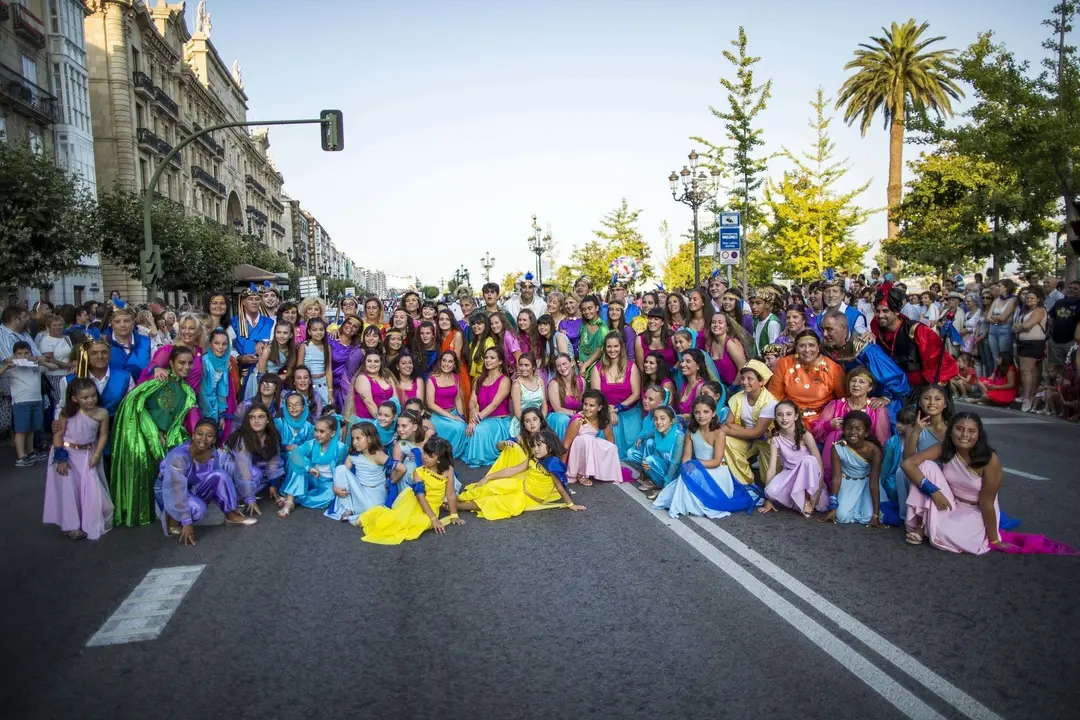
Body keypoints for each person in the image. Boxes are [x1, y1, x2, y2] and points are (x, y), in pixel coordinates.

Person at [109, 346, 198, 526]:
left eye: (190, 363)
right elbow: (133, 404)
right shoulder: (158, 381)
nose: (186, 367)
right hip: (144, 436)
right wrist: (153, 432)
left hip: (167, 439)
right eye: (181, 363)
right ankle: (142, 512)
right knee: (144, 474)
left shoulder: (186, 389)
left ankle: (165, 512)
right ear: (171, 363)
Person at [652, 395, 759, 519]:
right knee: (684, 481)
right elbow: (686, 456)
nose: (701, 416)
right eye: (697, 412)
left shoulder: (719, 432)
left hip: (715, 470)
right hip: (696, 466)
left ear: (713, 413)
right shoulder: (691, 431)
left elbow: (717, 461)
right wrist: (686, 469)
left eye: (706, 412)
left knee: (699, 497)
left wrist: (695, 465)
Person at [155, 419, 258, 544]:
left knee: (221, 475)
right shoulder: (179, 456)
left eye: (209, 436)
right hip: (168, 490)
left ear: (214, 440)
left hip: (190, 488)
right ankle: (173, 517)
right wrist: (186, 521)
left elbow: (215, 483)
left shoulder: (212, 453)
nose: (203, 439)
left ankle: (231, 514)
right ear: (193, 435)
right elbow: (175, 487)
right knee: (198, 509)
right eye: (199, 434)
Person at [457, 428, 585, 520]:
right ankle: (455, 499)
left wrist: (570, 504)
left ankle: (456, 506)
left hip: (525, 497)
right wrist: (487, 477)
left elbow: (560, 487)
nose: (535, 449)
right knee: (491, 486)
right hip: (518, 486)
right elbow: (512, 470)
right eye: (533, 446)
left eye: (539, 446)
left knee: (494, 502)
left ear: (550, 447)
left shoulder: (552, 465)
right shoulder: (533, 459)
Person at [358, 436, 464, 544]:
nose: (425, 457)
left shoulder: (448, 470)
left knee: (422, 523)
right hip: (415, 502)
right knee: (400, 521)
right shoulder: (418, 472)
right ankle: (373, 515)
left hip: (432, 506)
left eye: (430, 455)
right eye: (424, 453)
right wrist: (433, 519)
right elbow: (420, 497)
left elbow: (450, 494)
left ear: (440, 460)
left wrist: (454, 515)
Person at [43, 379, 113, 540]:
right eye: (85, 397)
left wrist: (96, 455)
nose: (90, 400)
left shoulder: (101, 413)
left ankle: (88, 518)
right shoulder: (66, 413)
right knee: (68, 490)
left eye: (93, 396)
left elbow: (102, 435)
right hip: (66, 453)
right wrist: (60, 458)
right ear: (75, 398)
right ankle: (71, 526)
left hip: (87, 454)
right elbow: (58, 435)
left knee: (90, 487)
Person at [820, 311, 909, 419]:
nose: (824, 334)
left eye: (829, 329)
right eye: (822, 329)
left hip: (874, 402)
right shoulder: (825, 349)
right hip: (844, 402)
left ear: (843, 327)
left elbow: (897, 378)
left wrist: (886, 398)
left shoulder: (867, 350)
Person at [812, 367, 890, 484]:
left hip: (864, 457)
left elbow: (882, 440)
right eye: (853, 381)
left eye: (861, 381)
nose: (856, 385)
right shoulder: (836, 405)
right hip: (836, 457)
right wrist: (829, 425)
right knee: (835, 434)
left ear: (870, 388)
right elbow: (816, 432)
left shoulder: (876, 408)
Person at [869, 287, 958, 390]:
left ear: (896, 312)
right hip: (891, 387)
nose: (880, 315)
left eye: (885, 311)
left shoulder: (918, 331)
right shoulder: (876, 329)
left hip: (917, 389)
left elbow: (939, 362)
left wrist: (933, 390)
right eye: (877, 311)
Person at [759, 399, 825, 517]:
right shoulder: (776, 439)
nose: (784, 418)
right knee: (770, 492)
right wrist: (767, 498)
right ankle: (798, 502)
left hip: (809, 475)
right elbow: (772, 468)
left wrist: (818, 492)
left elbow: (819, 464)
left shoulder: (805, 435)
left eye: (788, 414)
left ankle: (806, 499)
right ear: (776, 418)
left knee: (808, 460)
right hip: (790, 473)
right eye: (780, 415)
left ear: (796, 416)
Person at [766, 329, 846, 424]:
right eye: (802, 346)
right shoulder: (785, 364)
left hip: (823, 421)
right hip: (790, 419)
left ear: (818, 347)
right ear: (796, 347)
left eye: (811, 345)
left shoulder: (833, 368)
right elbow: (774, 396)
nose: (807, 350)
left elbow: (843, 400)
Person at [0, 341, 58, 466]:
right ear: (14, 355)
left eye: (26, 353)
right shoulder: (13, 369)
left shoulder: (34, 365)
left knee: (32, 428)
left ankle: (30, 452)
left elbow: (54, 368)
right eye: (19, 353)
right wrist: (6, 366)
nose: (23, 356)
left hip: (36, 399)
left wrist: (40, 361)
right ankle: (21, 456)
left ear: (31, 353)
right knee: (21, 430)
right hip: (21, 401)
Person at [327, 422, 399, 522]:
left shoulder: (378, 455)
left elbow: (402, 468)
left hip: (375, 497)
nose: (355, 442)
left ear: (369, 439)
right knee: (341, 468)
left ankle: (361, 514)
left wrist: (393, 480)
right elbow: (343, 476)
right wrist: (335, 488)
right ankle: (347, 508)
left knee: (372, 510)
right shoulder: (353, 456)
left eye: (358, 438)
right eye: (353, 439)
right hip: (359, 492)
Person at [278, 415, 347, 516]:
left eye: (322, 431)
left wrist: (336, 487)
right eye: (316, 430)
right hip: (313, 477)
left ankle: (294, 497)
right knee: (298, 466)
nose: (317, 434)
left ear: (332, 433)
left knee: (330, 496)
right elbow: (295, 454)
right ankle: (289, 502)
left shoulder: (340, 448)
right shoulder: (311, 444)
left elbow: (342, 469)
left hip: (328, 483)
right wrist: (308, 467)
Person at [821, 411, 882, 525]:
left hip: (867, 483)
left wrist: (876, 514)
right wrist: (833, 508)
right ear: (843, 430)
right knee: (841, 516)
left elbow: (874, 483)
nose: (853, 432)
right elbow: (836, 478)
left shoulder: (874, 451)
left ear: (867, 432)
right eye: (849, 428)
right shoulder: (837, 448)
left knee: (868, 516)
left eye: (858, 429)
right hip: (846, 481)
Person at [723, 360, 777, 486]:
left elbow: (758, 433)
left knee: (768, 479)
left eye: (750, 378)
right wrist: (748, 433)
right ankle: (746, 482)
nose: (744, 382)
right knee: (725, 441)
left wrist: (729, 430)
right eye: (742, 378)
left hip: (768, 443)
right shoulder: (738, 397)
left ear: (761, 382)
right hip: (747, 439)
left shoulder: (769, 403)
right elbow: (729, 422)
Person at [591, 332, 641, 459]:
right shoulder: (597, 369)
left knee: (632, 442)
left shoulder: (631, 366)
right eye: (609, 347)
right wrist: (609, 410)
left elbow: (636, 394)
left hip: (629, 411)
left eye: (615, 346)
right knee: (607, 427)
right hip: (605, 410)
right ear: (605, 348)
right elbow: (596, 396)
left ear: (621, 347)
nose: (612, 350)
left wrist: (617, 408)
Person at [463, 346, 513, 467]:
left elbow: (494, 405)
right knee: (467, 431)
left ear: (500, 361)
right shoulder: (478, 380)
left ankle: (481, 458)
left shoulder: (504, 380)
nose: (488, 360)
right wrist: (474, 411)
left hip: (500, 421)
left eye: (492, 358)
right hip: (484, 418)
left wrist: (475, 420)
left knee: (477, 430)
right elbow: (472, 401)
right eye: (486, 358)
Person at [564, 389, 622, 485]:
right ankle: (580, 474)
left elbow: (610, 441)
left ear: (599, 408)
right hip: (576, 452)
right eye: (585, 404)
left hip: (590, 446)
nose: (587, 408)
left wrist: (606, 458)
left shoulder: (601, 419)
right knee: (587, 439)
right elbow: (565, 445)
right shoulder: (578, 420)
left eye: (591, 405)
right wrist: (561, 469)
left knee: (611, 447)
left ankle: (597, 471)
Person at [627, 404, 685, 498]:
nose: (658, 422)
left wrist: (666, 486)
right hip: (663, 466)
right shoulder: (658, 431)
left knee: (650, 460)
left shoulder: (679, 437)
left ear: (672, 421)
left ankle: (664, 486)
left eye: (663, 418)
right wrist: (641, 437)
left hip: (675, 474)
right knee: (646, 447)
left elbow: (675, 464)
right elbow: (649, 433)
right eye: (655, 418)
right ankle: (653, 480)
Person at [231, 285, 274, 392]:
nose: (254, 302)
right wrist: (240, 357)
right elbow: (229, 348)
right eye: (250, 299)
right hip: (242, 371)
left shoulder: (270, 322)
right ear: (243, 302)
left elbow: (276, 344)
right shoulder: (233, 323)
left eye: (257, 299)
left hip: (266, 370)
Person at [427, 350, 469, 457]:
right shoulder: (432, 379)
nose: (446, 364)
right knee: (460, 427)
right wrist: (452, 417)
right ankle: (447, 455)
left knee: (464, 425)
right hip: (439, 417)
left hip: (454, 413)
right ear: (440, 362)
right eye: (444, 361)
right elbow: (430, 404)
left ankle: (454, 452)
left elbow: (458, 398)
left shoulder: (455, 377)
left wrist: (460, 415)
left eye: (450, 362)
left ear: (454, 364)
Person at [1013, 286, 1048, 412]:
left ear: (1038, 299)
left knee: (1026, 370)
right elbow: (1016, 327)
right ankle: (1030, 396)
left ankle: (1027, 397)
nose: (1029, 300)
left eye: (1032, 298)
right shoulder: (1025, 311)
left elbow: (1028, 326)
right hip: (1024, 342)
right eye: (1027, 298)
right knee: (1031, 371)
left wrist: (1019, 326)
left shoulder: (1039, 310)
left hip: (1033, 343)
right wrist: (1019, 327)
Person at [345, 352, 396, 422]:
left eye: (376, 361)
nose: (372, 364)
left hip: (389, 421)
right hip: (368, 424)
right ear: (364, 363)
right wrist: (383, 422)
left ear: (381, 363)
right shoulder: (362, 378)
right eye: (369, 361)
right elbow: (369, 403)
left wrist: (394, 420)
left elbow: (395, 400)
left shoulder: (387, 378)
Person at [547, 352, 585, 440]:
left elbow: (582, 404)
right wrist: (576, 414)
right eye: (558, 366)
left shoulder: (581, 381)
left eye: (564, 363)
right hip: (558, 416)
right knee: (564, 420)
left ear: (572, 363)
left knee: (588, 423)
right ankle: (564, 450)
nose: (562, 368)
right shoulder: (554, 384)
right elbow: (557, 409)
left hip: (576, 414)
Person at [509, 354, 548, 438]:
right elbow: (517, 412)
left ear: (533, 367)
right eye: (521, 365)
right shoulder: (517, 385)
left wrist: (540, 422)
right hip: (522, 423)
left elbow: (544, 404)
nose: (523, 368)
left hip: (538, 421)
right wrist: (529, 424)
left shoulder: (540, 382)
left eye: (526, 365)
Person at [329, 314, 363, 411]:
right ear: (343, 324)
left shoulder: (357, 347)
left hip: (347, 388)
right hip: (330, 386)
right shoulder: (331, 338)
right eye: (349, 323)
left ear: (357, 331)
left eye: (355, 326)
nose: (351, 327)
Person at [296, 317, 332, 407]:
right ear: (309, 332)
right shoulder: (304, 346)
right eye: (315, 330)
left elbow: (329, 370)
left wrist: (330, 390)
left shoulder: (327, 347)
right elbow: (299, 368)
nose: (318, 332)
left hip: (323, 383)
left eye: (321, 330)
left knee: (326, 408)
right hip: (308, 384)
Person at [1047, 280, 1080, 374]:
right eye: (1070, 287)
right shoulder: (1059, 302)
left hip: (1072, 342)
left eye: (1075, 288)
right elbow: (1051, 318)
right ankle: (1057, 388)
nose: (1071, 290)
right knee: (1055, 369)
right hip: (1055, 341)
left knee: (1071, 369)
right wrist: (1050, 335)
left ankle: (1069, 388)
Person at [707, 313, 748, 388]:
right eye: (713, 322)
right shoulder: (710, 343)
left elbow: (743, 367)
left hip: (736, 388)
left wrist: (733, 388)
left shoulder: (730, 343)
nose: (716, 325)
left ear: (727, 327)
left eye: (720, 322)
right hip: (718, 389)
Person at [985, 279, 1018, 366]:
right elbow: (988, 317)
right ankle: (996, 377)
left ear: (1007, 288)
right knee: (995, 357)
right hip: (992, 330)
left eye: (999, 286)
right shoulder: (997, 300)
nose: (997, 287)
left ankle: (1006, 378)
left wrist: (994, 317)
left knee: (1004, 357)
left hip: (1004, 330)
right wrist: (997, 319)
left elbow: (1003, 317)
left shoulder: (1013, 300)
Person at [576, 295, 607, 378]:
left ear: (596, 308)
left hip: (596, 368)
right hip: (582, 366)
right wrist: (580, 361)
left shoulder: (602, 328)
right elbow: (581, 346)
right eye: (584, 309)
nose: (587, 312)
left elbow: (598, 352)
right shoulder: (583, 326)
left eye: (590, 308)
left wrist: (585, 365)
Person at [750, 289, 783, 357]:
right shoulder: (756, 320)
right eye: (752, 303)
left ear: (767, 304)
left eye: (758, 303)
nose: (753, 307)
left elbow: (773, 349)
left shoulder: (772, 323)